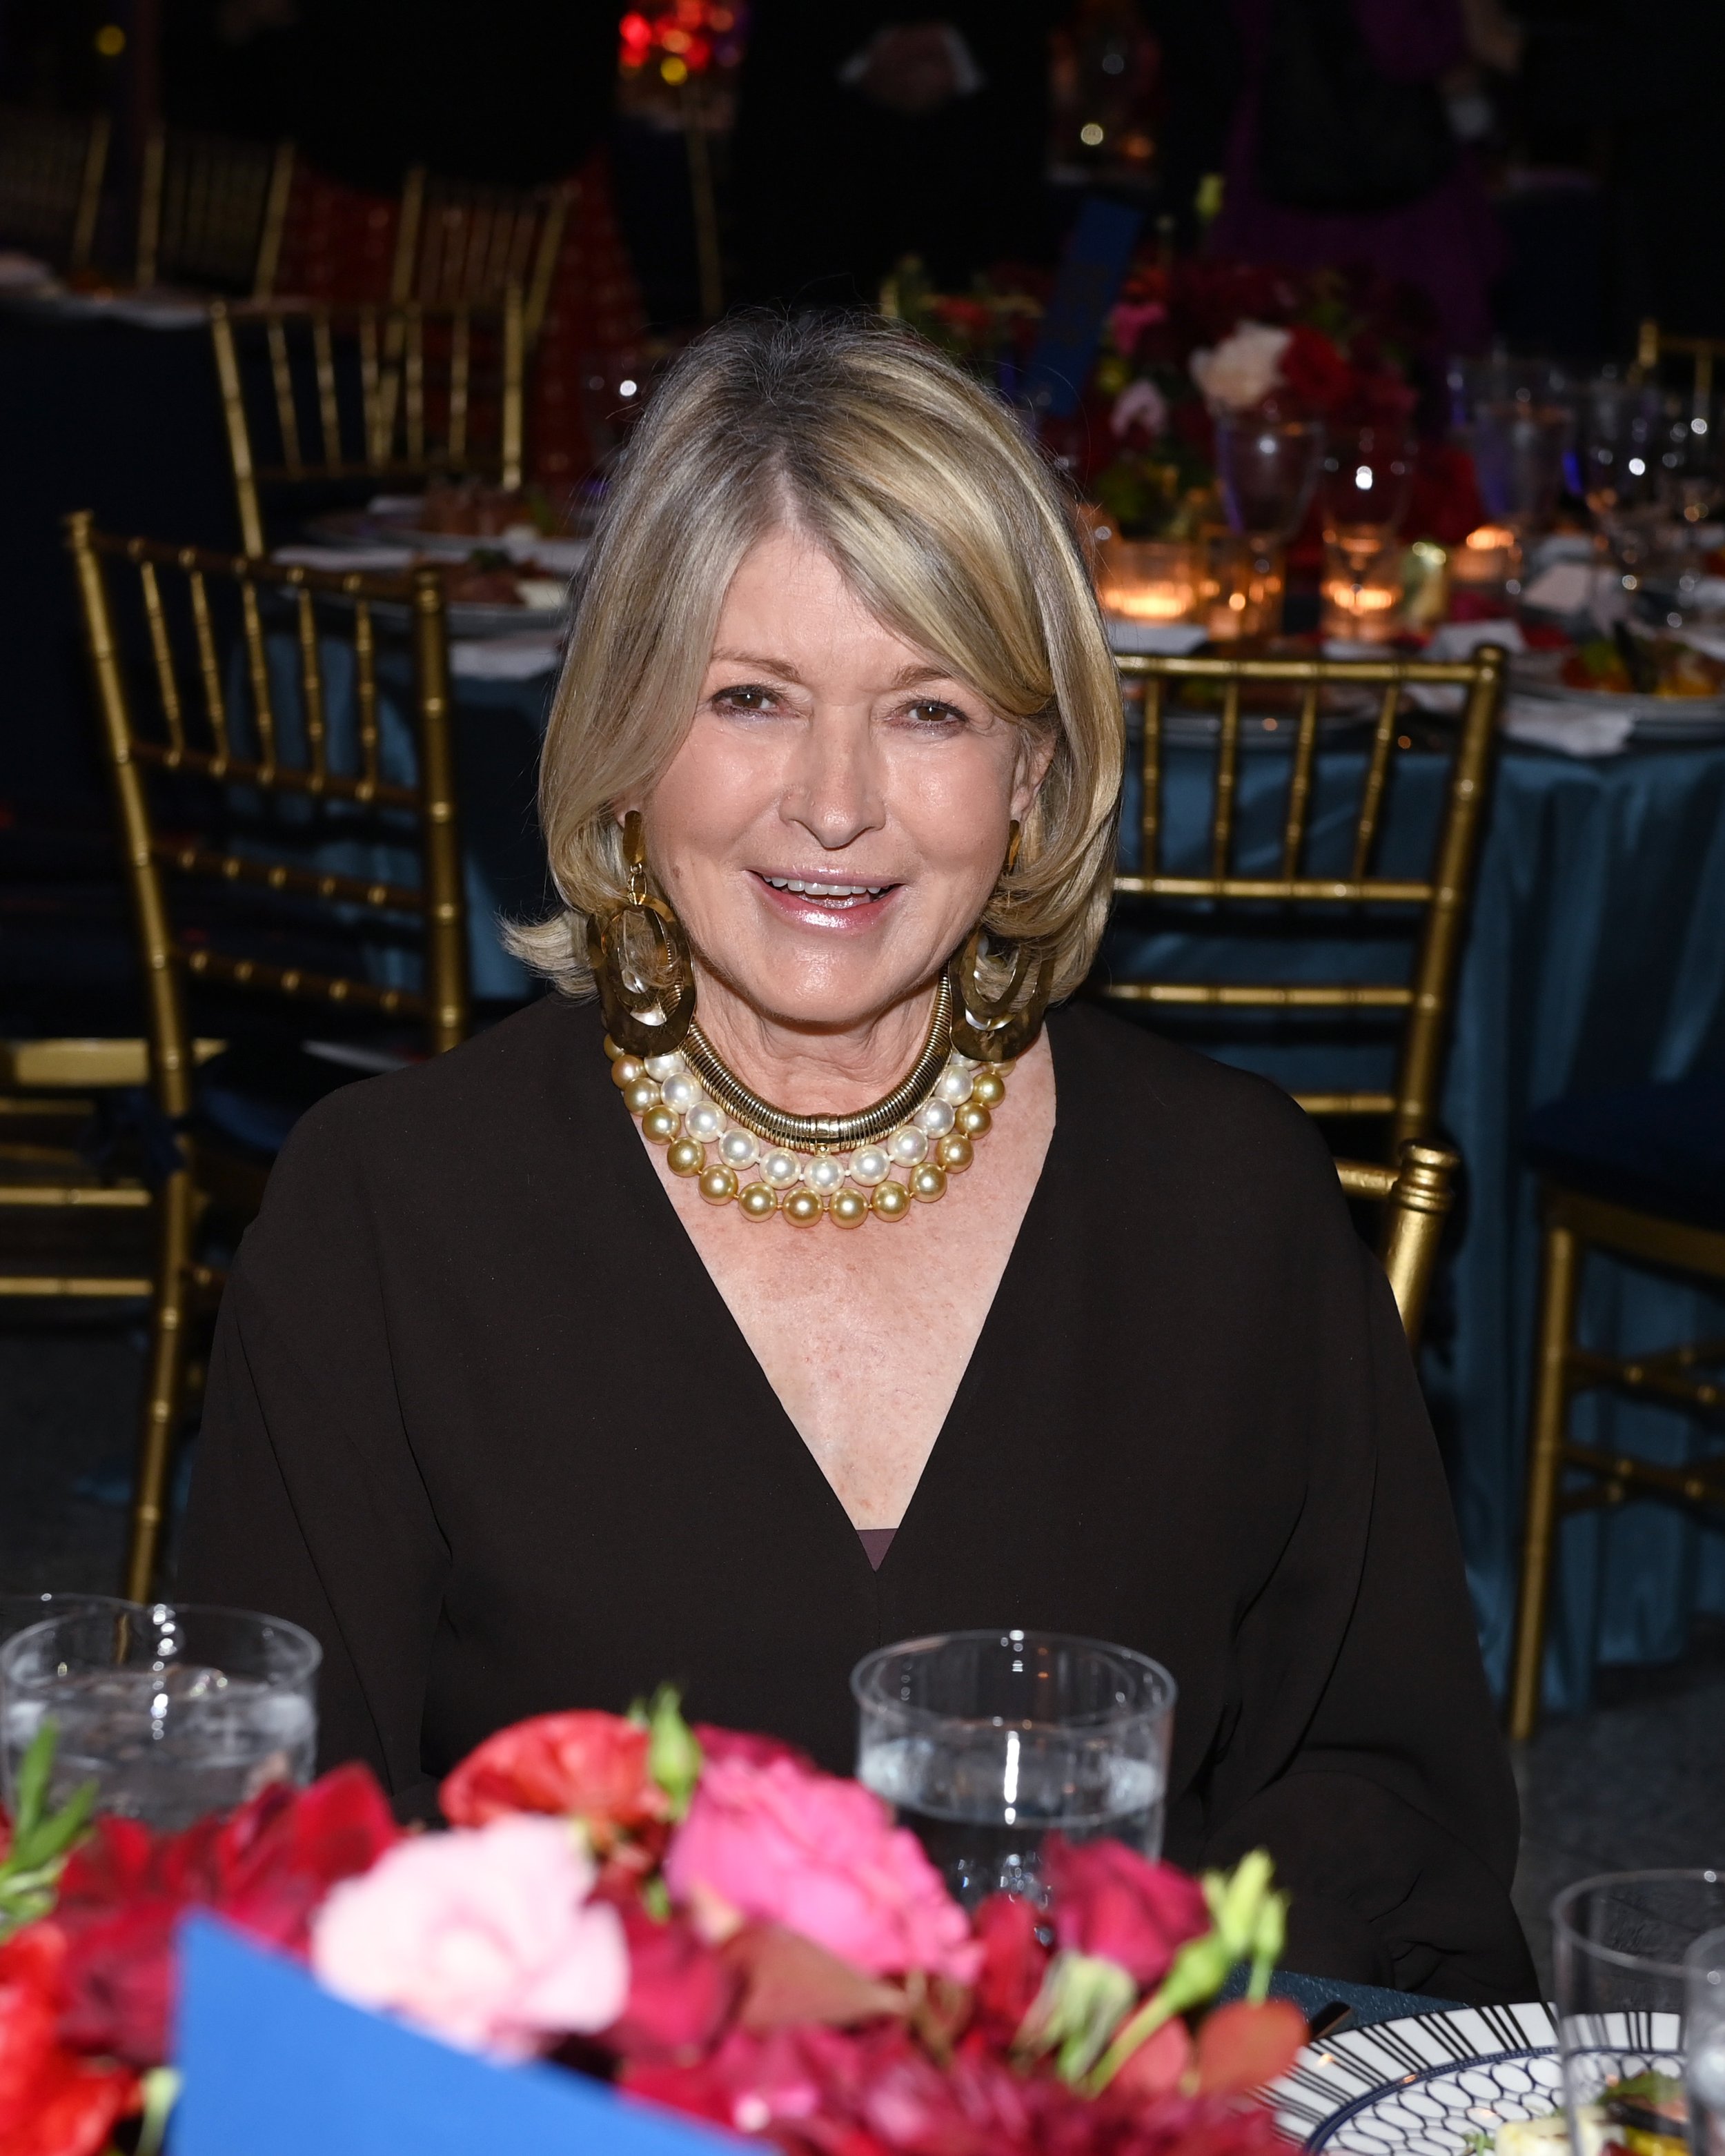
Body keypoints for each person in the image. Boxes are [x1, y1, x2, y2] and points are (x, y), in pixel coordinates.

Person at [181, 313, 1535, 2003]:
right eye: (748, 697)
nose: (833, 804)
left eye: (928, 710)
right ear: (622, 736)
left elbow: (1380, 1818)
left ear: (1032, 773)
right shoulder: (389, 1210)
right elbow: (280, 1849)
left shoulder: (1227, 1208)